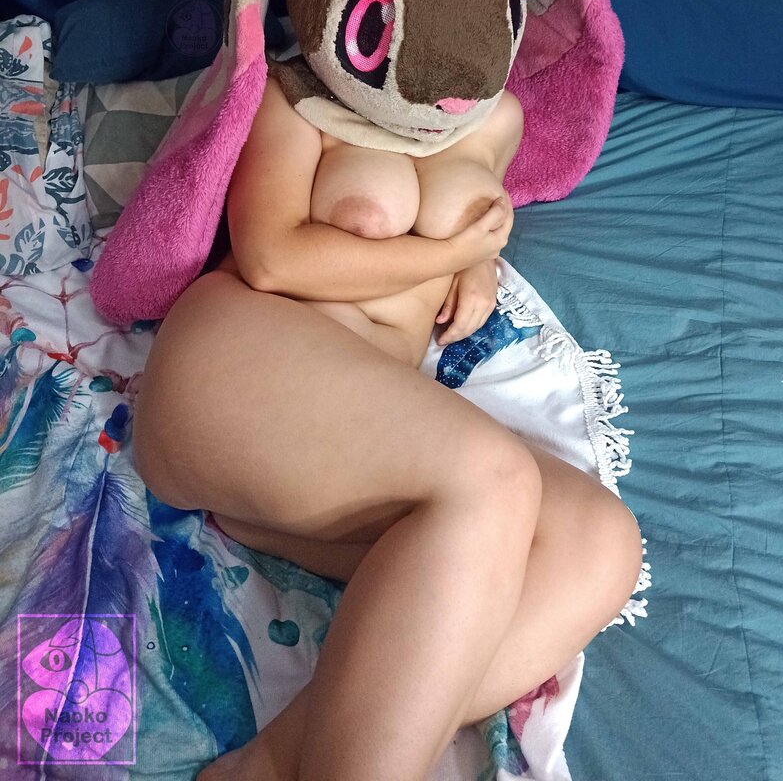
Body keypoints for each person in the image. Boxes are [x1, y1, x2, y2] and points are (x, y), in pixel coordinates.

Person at [132, 70, 644, 781]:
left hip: (347, 446)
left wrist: (480, 263)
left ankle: (273, 763)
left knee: (598, 543)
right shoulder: (296, 98)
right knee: (494, 478)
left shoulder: (496, 118)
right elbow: (271, 259)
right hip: (244, 356)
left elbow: (479, 232)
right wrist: (450, 256)